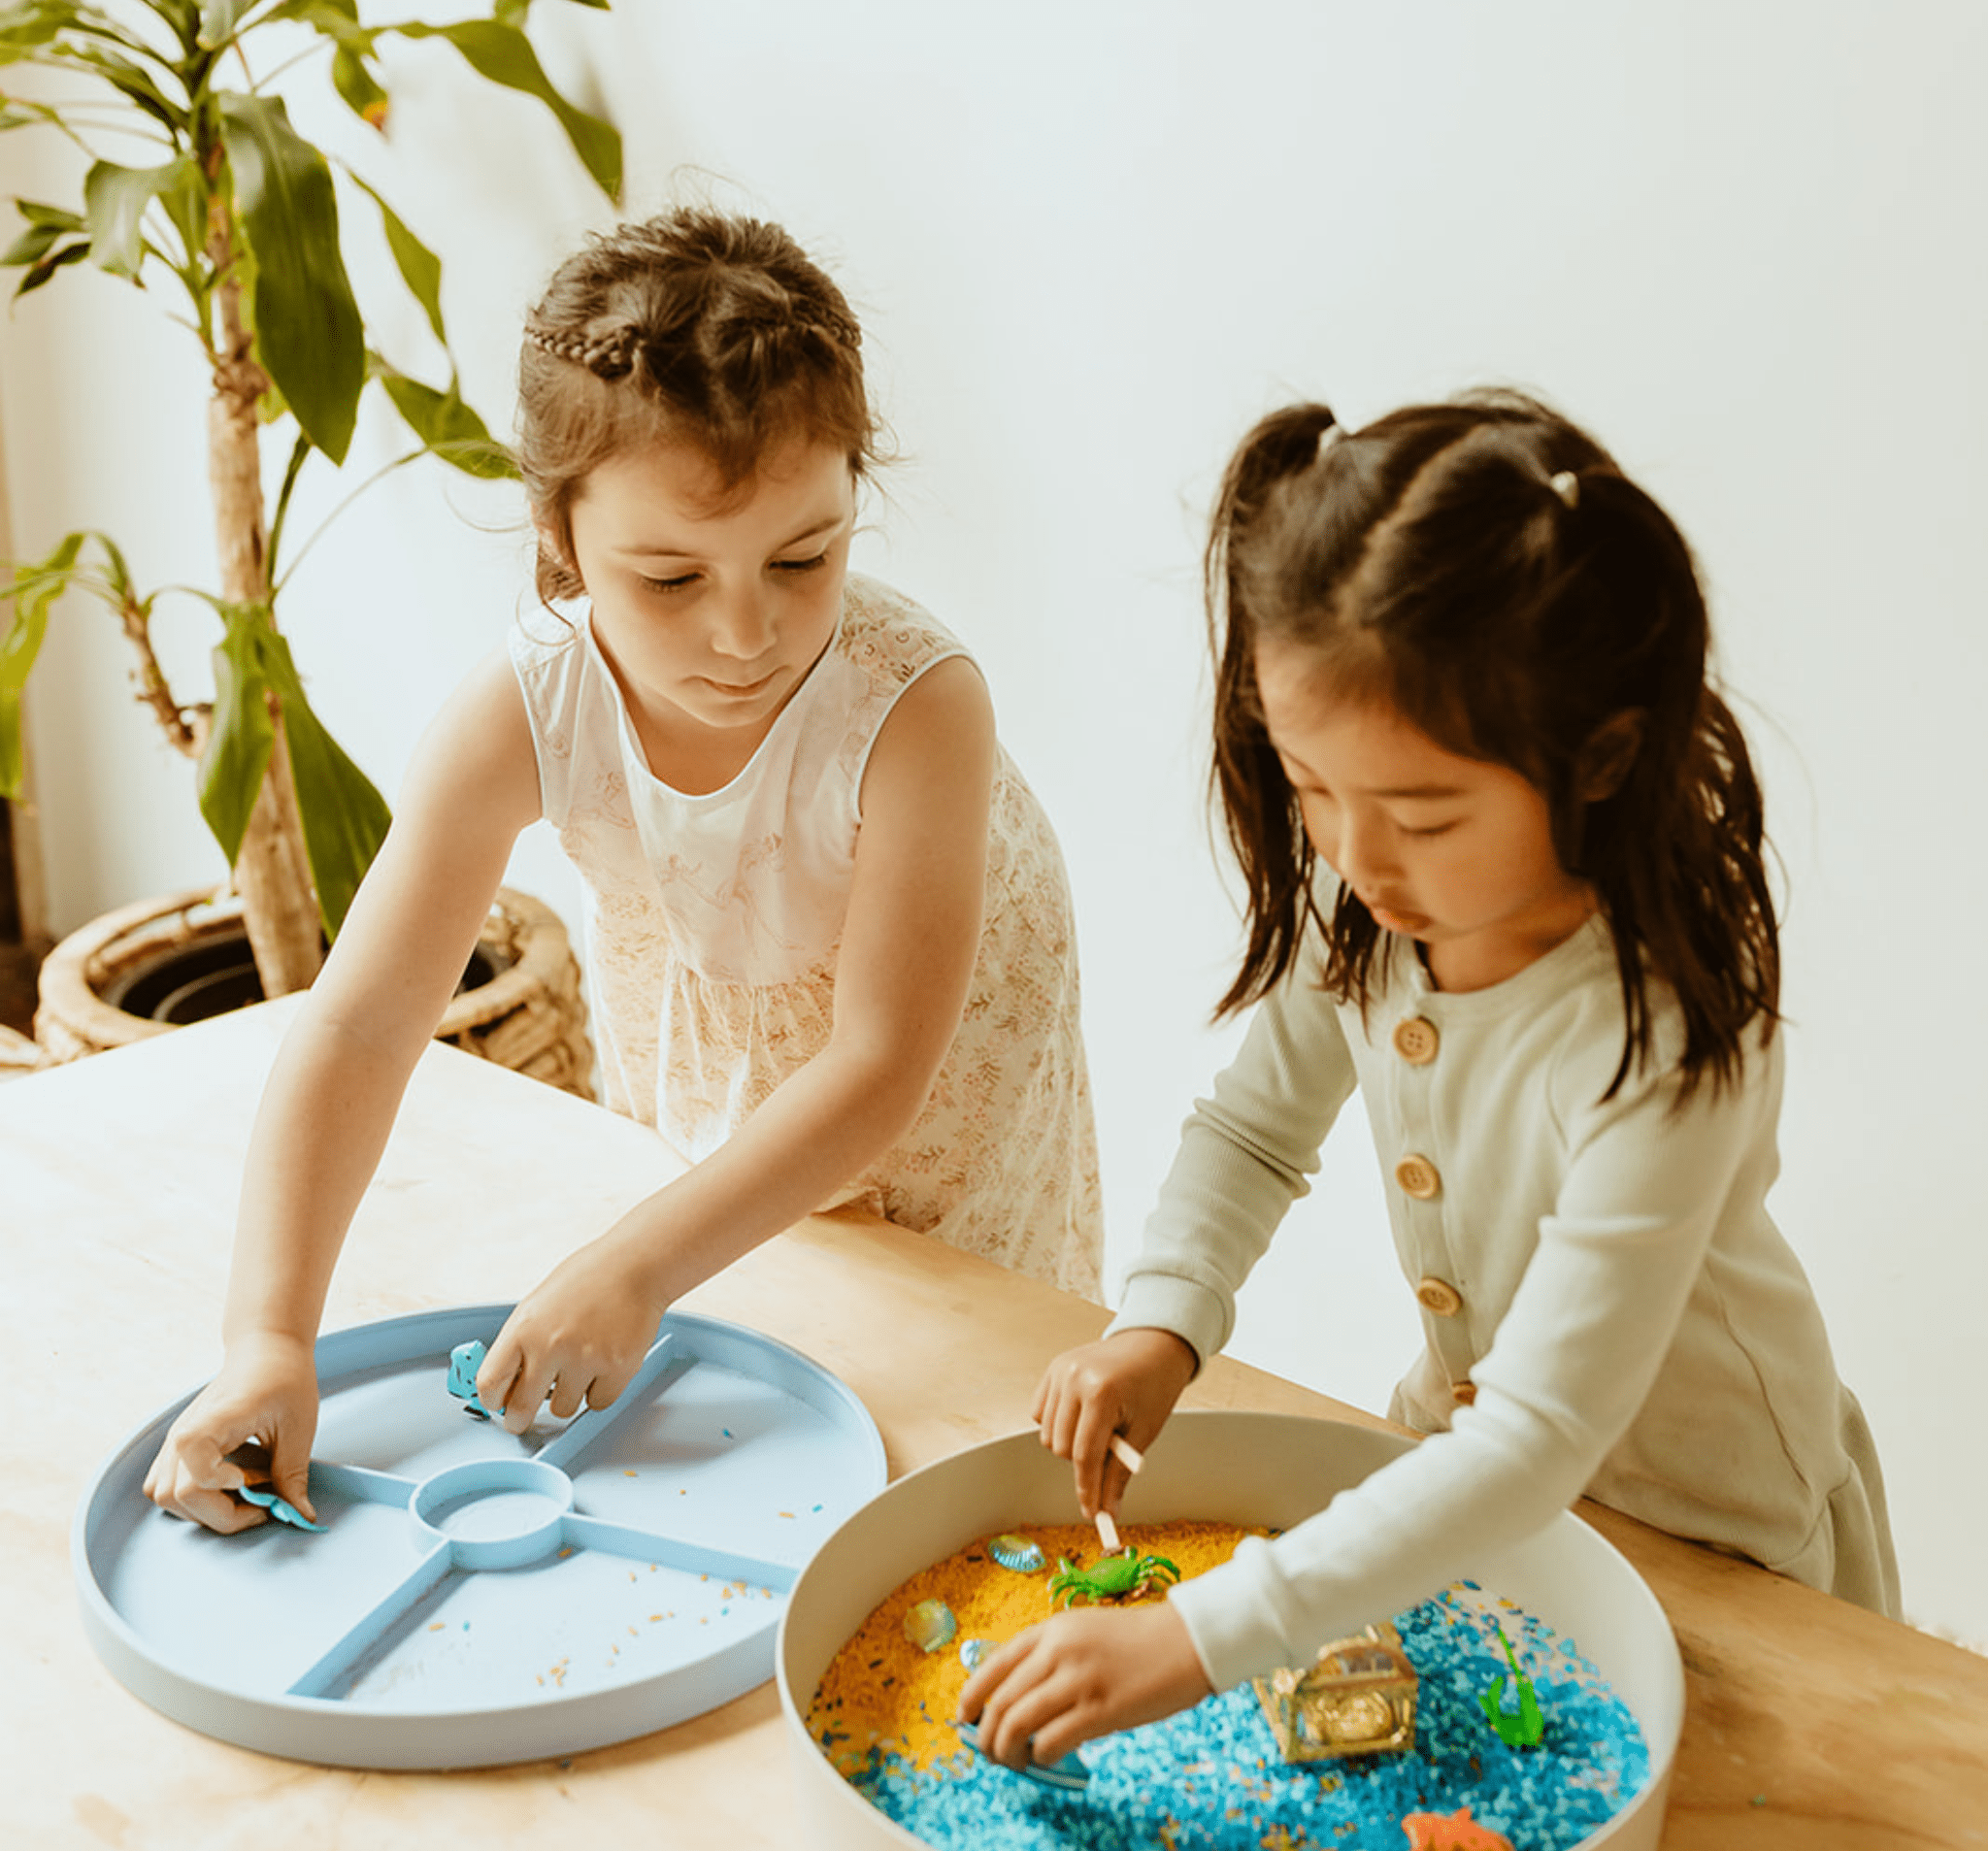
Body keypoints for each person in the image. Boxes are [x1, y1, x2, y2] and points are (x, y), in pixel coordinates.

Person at [961, 389, 1899, 1769]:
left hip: (1716, 1526)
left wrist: (1196, 1638)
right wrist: (1160, 1326)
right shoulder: (1371, 927)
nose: (1356, 854)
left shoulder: (1671, 1042)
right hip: (1479, 1457)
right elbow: (1252, 1131)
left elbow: (1537, 1438)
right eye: (1311, 788)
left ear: (1599, 759)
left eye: (1423, 813)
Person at [145, 209, 1101, 1532]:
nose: (746, 631)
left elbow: (882, 1067)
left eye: (804, 557)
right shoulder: (523, 712)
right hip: (723, 1051)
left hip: (936, 1109)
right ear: (560, 542)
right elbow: (360, 1026)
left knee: (944, 1408)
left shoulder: (919, 711)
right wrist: (268, 1338)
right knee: (753, 1357)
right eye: (666, 579)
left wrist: (632, 1267)